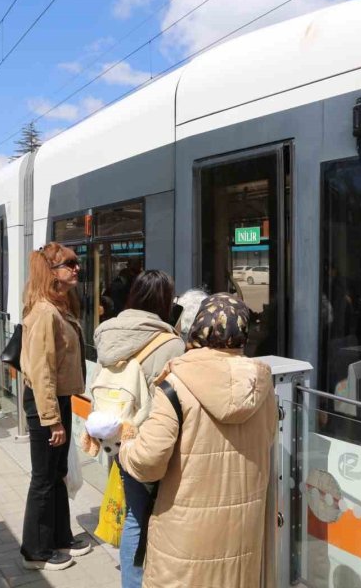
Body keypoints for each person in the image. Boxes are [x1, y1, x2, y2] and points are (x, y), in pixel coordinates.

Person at [118, 293, 277, 588]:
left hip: (184, 543)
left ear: (197, 330)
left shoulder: (175, 385)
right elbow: (268, 440)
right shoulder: (262, 387)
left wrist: (126, 447)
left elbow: (148, 462)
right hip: (242, 536)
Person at [93, 270, 185, 588]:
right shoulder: (171, 344)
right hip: (151, 442)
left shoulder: (108, 333)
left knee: (134, 515)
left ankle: (131, 582)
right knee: (157, 517)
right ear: (165, 301)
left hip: (118, 437)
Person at [19, 242, 91, 570]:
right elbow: (42, 371)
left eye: (76, 263)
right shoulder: (46, 312)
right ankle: (35, 551)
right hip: (44, 403)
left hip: (56, 399)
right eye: (68, 265)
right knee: (43, 479)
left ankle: (61, 537)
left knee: (57, 473)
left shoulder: (57, 307)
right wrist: (52, 420)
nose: (76, 269)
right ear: (51, 272)